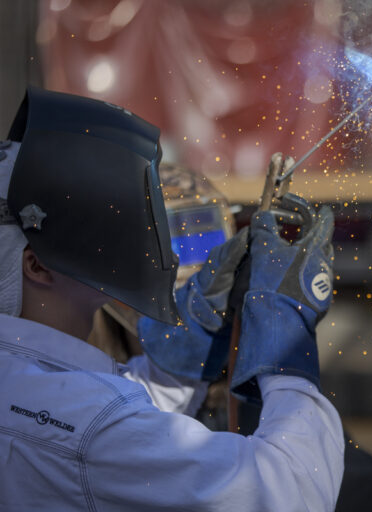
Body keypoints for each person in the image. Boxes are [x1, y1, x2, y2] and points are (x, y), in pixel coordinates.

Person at [0, 88, 344, 511]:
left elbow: (96, 420)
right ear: (36, 266)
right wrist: (284, 343)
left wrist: (191, 338)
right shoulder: (93, 426)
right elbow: (291, 490)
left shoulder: (29, 384)